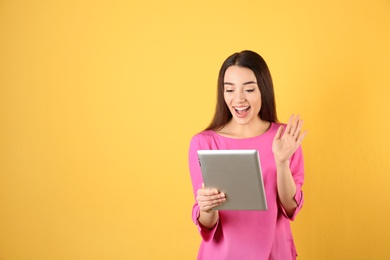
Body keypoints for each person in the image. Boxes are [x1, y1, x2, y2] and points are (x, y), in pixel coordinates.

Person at [188, 50, 308, 260]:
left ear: (263, 90)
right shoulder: (204, 143)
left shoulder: (284, 138)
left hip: (274, 252)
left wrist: (282, 162)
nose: (238, 99)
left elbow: (291, 209)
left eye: (249, 89)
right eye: (229, 89)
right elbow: (207, 225)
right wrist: (207, 207)